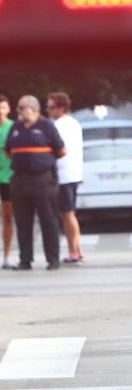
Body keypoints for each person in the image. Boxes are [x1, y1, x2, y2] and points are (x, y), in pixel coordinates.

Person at [5, 96, 65, 270]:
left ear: (32, 108)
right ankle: (25, 259)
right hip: (20, 179)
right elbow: (8, 151)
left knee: (48, 220)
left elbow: (61, 150)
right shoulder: (16, 127)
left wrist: (42, 160)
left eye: (20, 107)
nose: (18, 111)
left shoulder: (46, 126)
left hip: (42, 180)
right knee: (23, 221)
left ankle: (52, 259)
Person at [46, 92, 84, 264]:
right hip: (73, 173)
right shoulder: (73, 123)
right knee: (68, 213)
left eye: (51, 107)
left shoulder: (58, 126)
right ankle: (76, 248)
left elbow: (58, 149)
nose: (48, 111)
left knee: (67, 214)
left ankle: (74, 251)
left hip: (63, 174)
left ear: (61, 108)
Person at [0, 96, 15, 269]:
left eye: (3, 107)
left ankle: (6, 256)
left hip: (8, 178)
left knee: (8, 217)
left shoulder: (14, 127)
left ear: (8, 109)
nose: (0, 111)